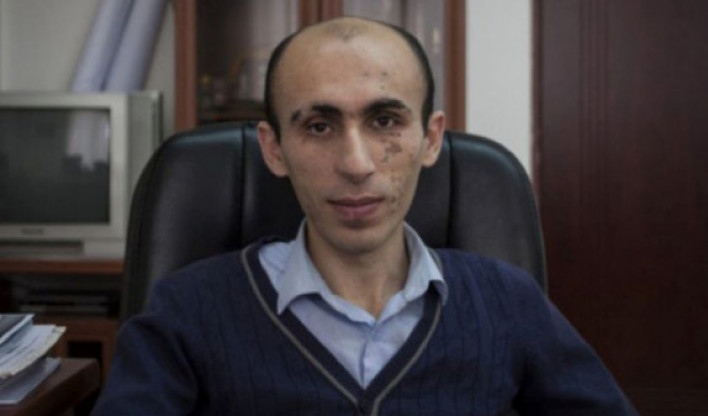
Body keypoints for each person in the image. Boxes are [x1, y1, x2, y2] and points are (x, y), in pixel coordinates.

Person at [91, 17, 636, 415]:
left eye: (385, 121)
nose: (356, 164)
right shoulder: (185, 311)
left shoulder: (508, 301)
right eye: (319, 127)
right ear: (274, 149)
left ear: (430, 139)